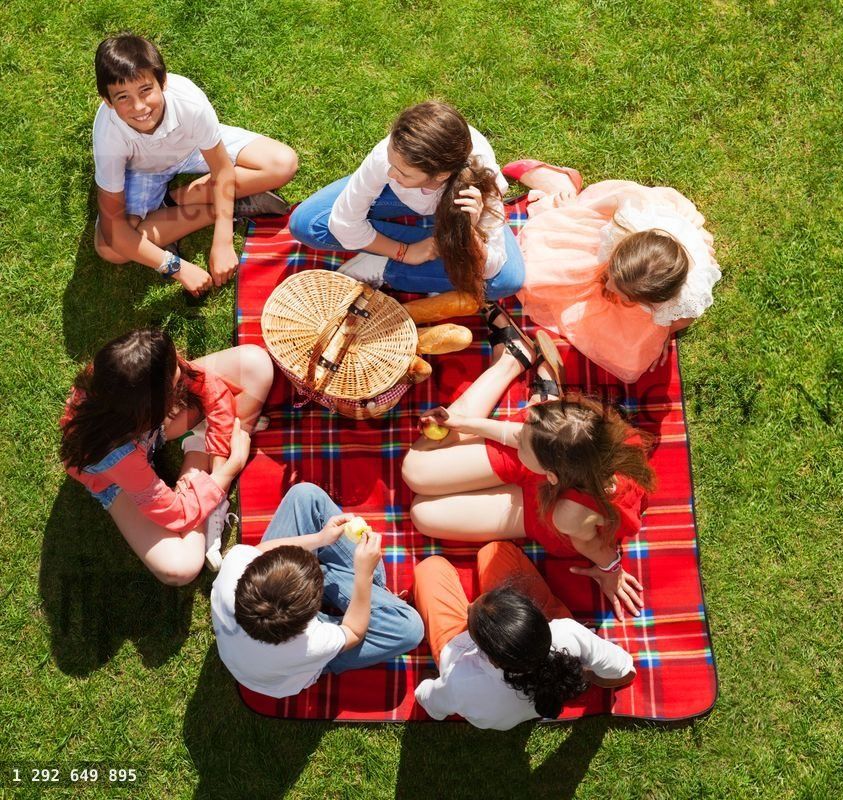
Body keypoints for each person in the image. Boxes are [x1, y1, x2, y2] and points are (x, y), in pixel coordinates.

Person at [401, 309, 655, 620]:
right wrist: (462, 422)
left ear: (549, 474)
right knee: (414, 470)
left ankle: (535, 383)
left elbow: (593, 545)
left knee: (423, 514)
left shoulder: (570, 514)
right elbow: (517, 435)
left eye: (525, 441)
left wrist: (610, 570)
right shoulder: (581, 433)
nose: (518, 432)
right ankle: (522, 370)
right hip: (552, 458)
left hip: (542, 511)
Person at [59, 328, 275, 583]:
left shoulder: (135, 364)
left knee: (256, 365)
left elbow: (210, 388)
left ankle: (204, 467)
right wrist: (229, 469)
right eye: (175, 385)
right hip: (118, 480)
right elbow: (176, 513)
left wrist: (218, 459)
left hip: (146, 432)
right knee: (180, 567)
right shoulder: (118, 456)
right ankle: (199, 463)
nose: (183, 376)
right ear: (152, 409)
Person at [91, 34, 299, 297]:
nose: (139, 106)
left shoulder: (189, 102)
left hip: (191, 148)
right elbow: (114, 230)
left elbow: (221, 168)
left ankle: (175, 202)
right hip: (141, 170)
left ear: (163, 82)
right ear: (107, 102)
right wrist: (175, 267)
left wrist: (223, 241)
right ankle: (223, 207)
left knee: (283, 163)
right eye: (123, 97)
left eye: (146, 90)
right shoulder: (108, 133)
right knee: (109, 247)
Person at [505, 159, 721, 383]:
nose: (607, 286)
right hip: (605, 230)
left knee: (629, 357)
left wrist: (666, 331)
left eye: (621, 292)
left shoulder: (684, 296)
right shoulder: (629, 218)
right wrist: (573, 209)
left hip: (648, 270)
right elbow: (603, 206)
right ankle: (563, 186)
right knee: (538, 273)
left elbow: (685, 318)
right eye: (612, 279)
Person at [288, 100, 523, 302]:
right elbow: (342, 223)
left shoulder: (482, 182)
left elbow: (490, 267)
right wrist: (405, 252)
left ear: (440, 176)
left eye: (403, 173)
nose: (390, 174)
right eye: (391, 163)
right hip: (399, 198)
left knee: (505, 281)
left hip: (449, 203)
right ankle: (426, 248)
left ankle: (384, 267)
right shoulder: (390, 156)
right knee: (306, 224)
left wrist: (468, 232)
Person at [210, 483, 424, 698]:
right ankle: (348, 577)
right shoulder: (310, 643)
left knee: (305, 495)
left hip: (256, 655)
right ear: (313, 614)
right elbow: (354, 632)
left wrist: (320, 539)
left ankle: (341, 573)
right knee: (409, 629)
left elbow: (262, 551)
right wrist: (363, 575)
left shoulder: (235, 565)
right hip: (295, 671)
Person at [413, 541, 635, 730]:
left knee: (430, 568)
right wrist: (584, 674)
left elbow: (431, 703)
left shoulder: (461, 681)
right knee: (495, 550)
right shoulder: (568, 634)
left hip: (462, 659)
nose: (470, 606)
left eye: (471, 619)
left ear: (487, 654)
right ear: (531, 612)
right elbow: (623, 671)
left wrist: (427, 682)